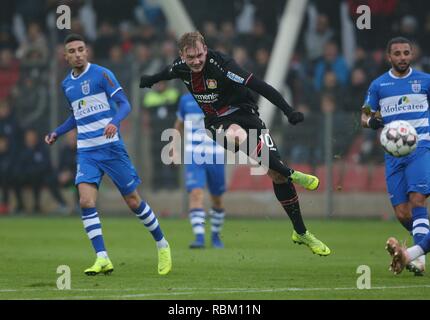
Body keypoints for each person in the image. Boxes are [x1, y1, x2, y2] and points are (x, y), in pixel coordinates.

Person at [140, 31, 330, 256]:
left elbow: (260, 86)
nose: (196, 61)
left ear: (205, 49)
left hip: (247, 113)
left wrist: (288, 110)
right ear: (182, 54)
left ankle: (300, 231)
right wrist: (151, 80)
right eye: (190, 57)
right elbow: (167, 73)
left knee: (276, 175)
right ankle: (293, 173)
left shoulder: (222, 65)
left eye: (200, 55)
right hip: (216, 122)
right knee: (236, 135)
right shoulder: (180, 67)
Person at [45, 33, 172, 276]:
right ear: (65, 56)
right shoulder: (67, 85)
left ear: (87, 51)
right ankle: (102, 257)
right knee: (85, 201)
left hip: (111, 147)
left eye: (81, 49)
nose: (78, 53)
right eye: (72, 51)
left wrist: (114, 122)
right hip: (86, 150)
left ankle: (162, 243)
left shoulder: (102, 74)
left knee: (133, 201)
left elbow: (125, 104)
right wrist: (57, 132)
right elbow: (76, 115)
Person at [361, 37, 430, 276]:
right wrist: (371, 121)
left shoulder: (425, 81)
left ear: (412, 55)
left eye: (406, 53)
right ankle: (417, 254)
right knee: (402, 213)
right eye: (397, 53)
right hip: (393, 155)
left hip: (420, 149)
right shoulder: (379, 85)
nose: (402, 57)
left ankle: (413, 254)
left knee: (417, 200)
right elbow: (364, 115)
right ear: (389, 57)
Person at [173, 93, 226, 249]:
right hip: (194, 155)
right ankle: (199, 237)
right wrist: (174, 148)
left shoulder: (220, 95)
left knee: (217, 199)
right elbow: (179, 124)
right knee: (196, 193)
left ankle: (215, 236)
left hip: (216, 154)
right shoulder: (185, 100)